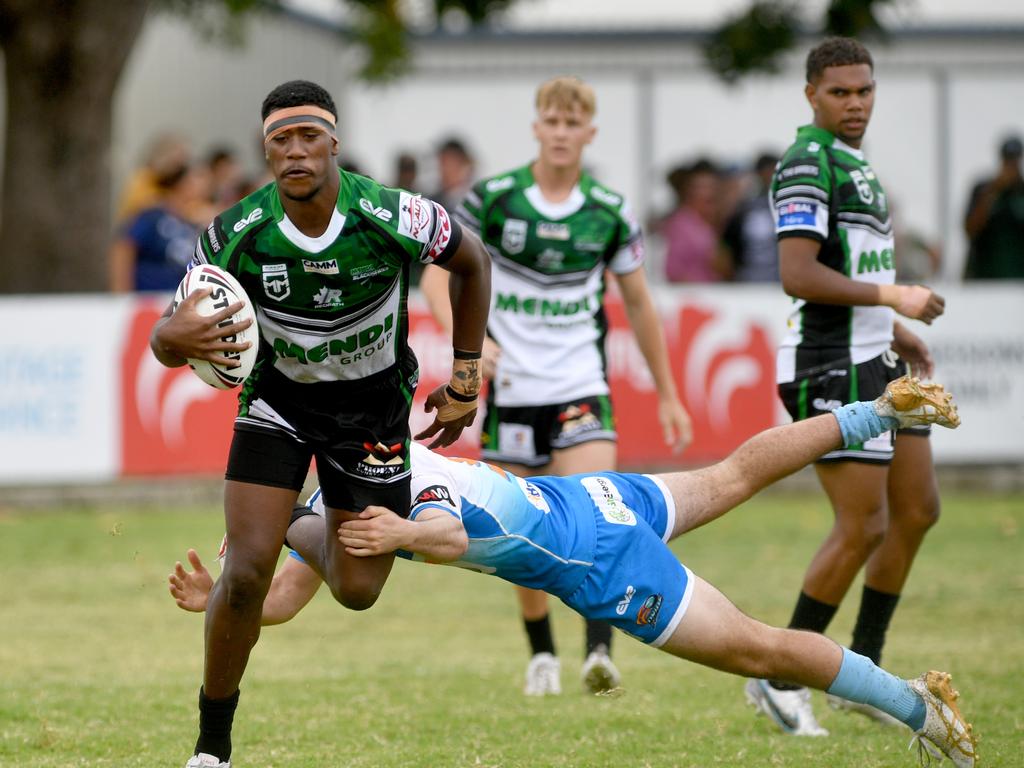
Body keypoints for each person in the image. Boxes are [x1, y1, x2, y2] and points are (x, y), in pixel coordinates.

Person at [171, 378, 975, 768]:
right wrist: (225, 598)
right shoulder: (322, 500)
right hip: (591, 497)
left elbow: (446, 533)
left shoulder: (396, 476)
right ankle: (881, 410)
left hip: (600, 560)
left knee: (760, 650)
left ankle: (917, 708)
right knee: (730, 476)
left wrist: (401, 531)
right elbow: (283, 596)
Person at [149, 80, 491, 768]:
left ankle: (300, 520)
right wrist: (172, 334)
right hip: (278, 403)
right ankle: (212, 746)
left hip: (370, 413)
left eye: (309, 137)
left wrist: (464, 374)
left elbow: (472, 262)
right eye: (281, 140)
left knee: (358, 590)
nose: (295, 151)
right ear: (266, 150)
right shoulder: (233, 233)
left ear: (333, 141)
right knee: (245, 576)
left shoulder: (394, 214)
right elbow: (168, 335)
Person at [419, 76, 692, 697]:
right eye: (553, 121)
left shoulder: (610, 211)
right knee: (517, 529)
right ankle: (541, 655)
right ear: (537, 127)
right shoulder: (493, 199)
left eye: (574, 124)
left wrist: (669, 392)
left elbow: (641, 306)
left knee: (603, 511)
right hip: (512, 390)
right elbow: (437, 277)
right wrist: (470, 343)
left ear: (589, 134)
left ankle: (600, 651)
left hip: (580, 385)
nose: (562, 133)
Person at [752, 37, 951, 736]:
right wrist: (895, 297)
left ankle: (860, 669)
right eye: (840, 91)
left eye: (864, 90)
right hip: (826, 362)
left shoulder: (856, 166)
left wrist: (894, 331)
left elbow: (847, 265)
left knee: (918, 510)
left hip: (876, 356)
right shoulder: (807, 161)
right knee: (863, 524)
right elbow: (799, 275)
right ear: (811, 94)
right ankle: (779, 678)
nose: (856, 103)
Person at [109, 162, 213, 292]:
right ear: (182, 185)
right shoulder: (153, 216)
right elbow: (124, 247)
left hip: (178, 297)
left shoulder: (195, 220)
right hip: (149, 299)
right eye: (197, 179)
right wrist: (121, 291)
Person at [962, 134, 1024, 279]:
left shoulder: (1021, 191)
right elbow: (970, 229)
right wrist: (994, 191)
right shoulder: (984, 190)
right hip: (985, 277)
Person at [661, 158, 726, 283]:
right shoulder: (681, 224)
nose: (708, 192)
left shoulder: (716, 222)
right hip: (692, 294)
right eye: (701, 187)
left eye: (711, 186)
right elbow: (673, 270)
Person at [720, 152, 781, 282]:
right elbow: (728, 243)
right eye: (766, 172)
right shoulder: (744, 207)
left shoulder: (787, 204)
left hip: (779, 279)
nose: (769, 177)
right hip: (748, 279)